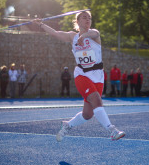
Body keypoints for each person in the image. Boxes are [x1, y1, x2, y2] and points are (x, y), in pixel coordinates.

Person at [33, 10, 125, 141]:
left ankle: (67, 125)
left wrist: (85, 35)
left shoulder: (95, 34)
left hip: (98, 76)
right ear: (78, 21)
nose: (87, 20)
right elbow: (55, 33)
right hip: (82, 74)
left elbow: (94, 33)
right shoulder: (72, 37)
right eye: (84, 18)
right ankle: (112, 130)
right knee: (97, 101)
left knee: (88, 114)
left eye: (89, 18)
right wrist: (40, 24)